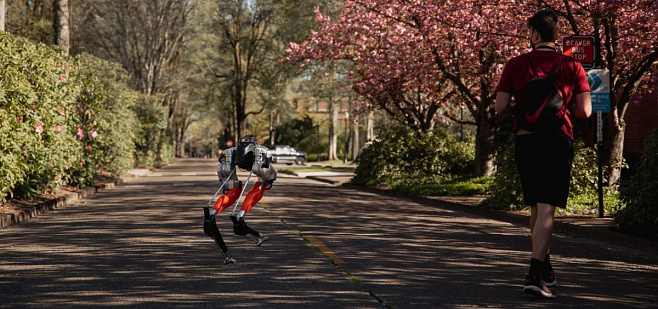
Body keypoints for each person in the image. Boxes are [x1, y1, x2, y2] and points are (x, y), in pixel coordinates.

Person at [494, 9, 592, 299]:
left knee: (536, 207)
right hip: (557, 141)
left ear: (535, 34)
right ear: (555, 35)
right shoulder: (572, 65)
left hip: (526, 141)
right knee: (547, 206)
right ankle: (535, 273)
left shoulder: (516, 64)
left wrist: (522, 111)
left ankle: (545, 267)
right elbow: (584, 110)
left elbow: (499, 107)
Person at [203, 136, 275, 264]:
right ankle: (239, 217)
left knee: (234, 190)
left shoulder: (232, 151)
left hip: (232, 165)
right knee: (260, 185)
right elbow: (268, 175)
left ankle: (213, 214)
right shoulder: (259, 151)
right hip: (255, 166)